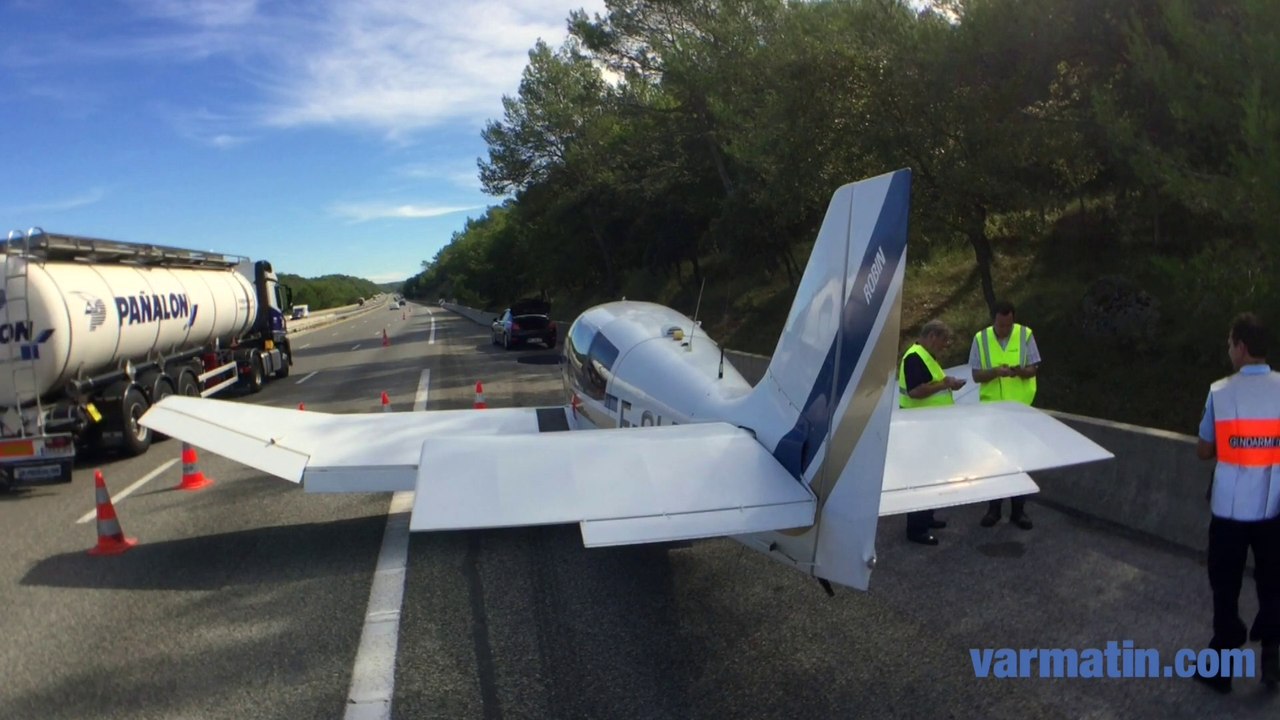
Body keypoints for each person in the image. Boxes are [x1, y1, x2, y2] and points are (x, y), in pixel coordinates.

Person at [1194, 312, 1280, 693]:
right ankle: (1273, 664)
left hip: (1229, 512)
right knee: (1273, 585)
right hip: (1272, 508)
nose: (1228, 351)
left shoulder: (1220, 392)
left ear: (1242, 347)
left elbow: (1203, 449)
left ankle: (1221, 670)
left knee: (1225, 589)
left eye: (1230, 344)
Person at [969, 300, 1041, 529]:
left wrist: (1017, 371)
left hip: (1020, 409)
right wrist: (995, 372)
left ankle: (1018, 512)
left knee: (1019, 461)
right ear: (994, 321)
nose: (1004, 330)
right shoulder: (980, 339)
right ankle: (994, 510)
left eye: (1008, 325)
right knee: (994, 461)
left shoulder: (1025, 334)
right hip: (992, 411)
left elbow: (1033, 368)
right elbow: (976, 375)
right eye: (1001, 325)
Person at [899, 319, 967, 545]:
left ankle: (926, 517)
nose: (944, 346)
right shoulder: (914, 357)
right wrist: (945, 384)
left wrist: (947, 384)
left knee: (930, 475)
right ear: (931, 336)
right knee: (920, 478)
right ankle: (916, 529)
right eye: (943, 341)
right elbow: (915, 392)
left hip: (929, 427)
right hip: (919, 428)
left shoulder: (925, 356)